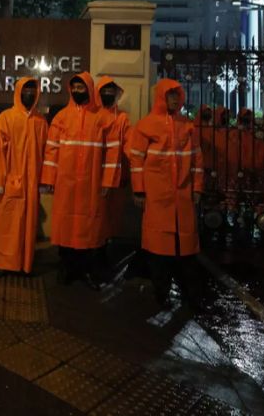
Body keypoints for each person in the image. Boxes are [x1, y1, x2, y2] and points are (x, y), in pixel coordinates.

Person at [128, 79, 205, 310]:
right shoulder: (145, 126)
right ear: (161, 97)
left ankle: (189, 295)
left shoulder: (188, 126)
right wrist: (139, 190)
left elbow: (197, 160)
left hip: (181, 198)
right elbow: (136, 160)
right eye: (170, 95)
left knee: (185, 252)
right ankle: (162, 293)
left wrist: (197, 187)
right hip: (157, 197)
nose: (174, 99)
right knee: (158, 252)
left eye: (176, 95)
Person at [42, 73, 120, 288]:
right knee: (66, 227)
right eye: (74, 87)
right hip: (66, 184)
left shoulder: (103, 118)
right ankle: (67, 269)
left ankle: (87, 271)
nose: (77, 91)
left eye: (81, 87)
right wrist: (49, 179)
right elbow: (52, 150)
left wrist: (107, 182)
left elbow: (113, 153)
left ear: (89, 88)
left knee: (89, 230)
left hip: (91, 185)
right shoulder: (61, 117)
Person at [0, 78, 49, 275]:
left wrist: (44, 181)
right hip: (9, 182)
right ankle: (3, 263)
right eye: (26, 90)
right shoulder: (6, 117)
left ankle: (25, 264)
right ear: (18, 92)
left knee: (27, 226)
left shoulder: (41, 122)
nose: (29, 94)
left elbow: (46, 154)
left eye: (33, 90)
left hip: (32, 185)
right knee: (8, 226)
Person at [96, 77, 130, 264]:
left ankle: (105, 253)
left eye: (111, 91)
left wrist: (126, 174)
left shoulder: (122, 118)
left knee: (111, 218)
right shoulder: (94, 116)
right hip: (94, 177)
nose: (108, 95)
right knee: (96, 218)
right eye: (104, 91)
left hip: (116, 179)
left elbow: (129, 146)